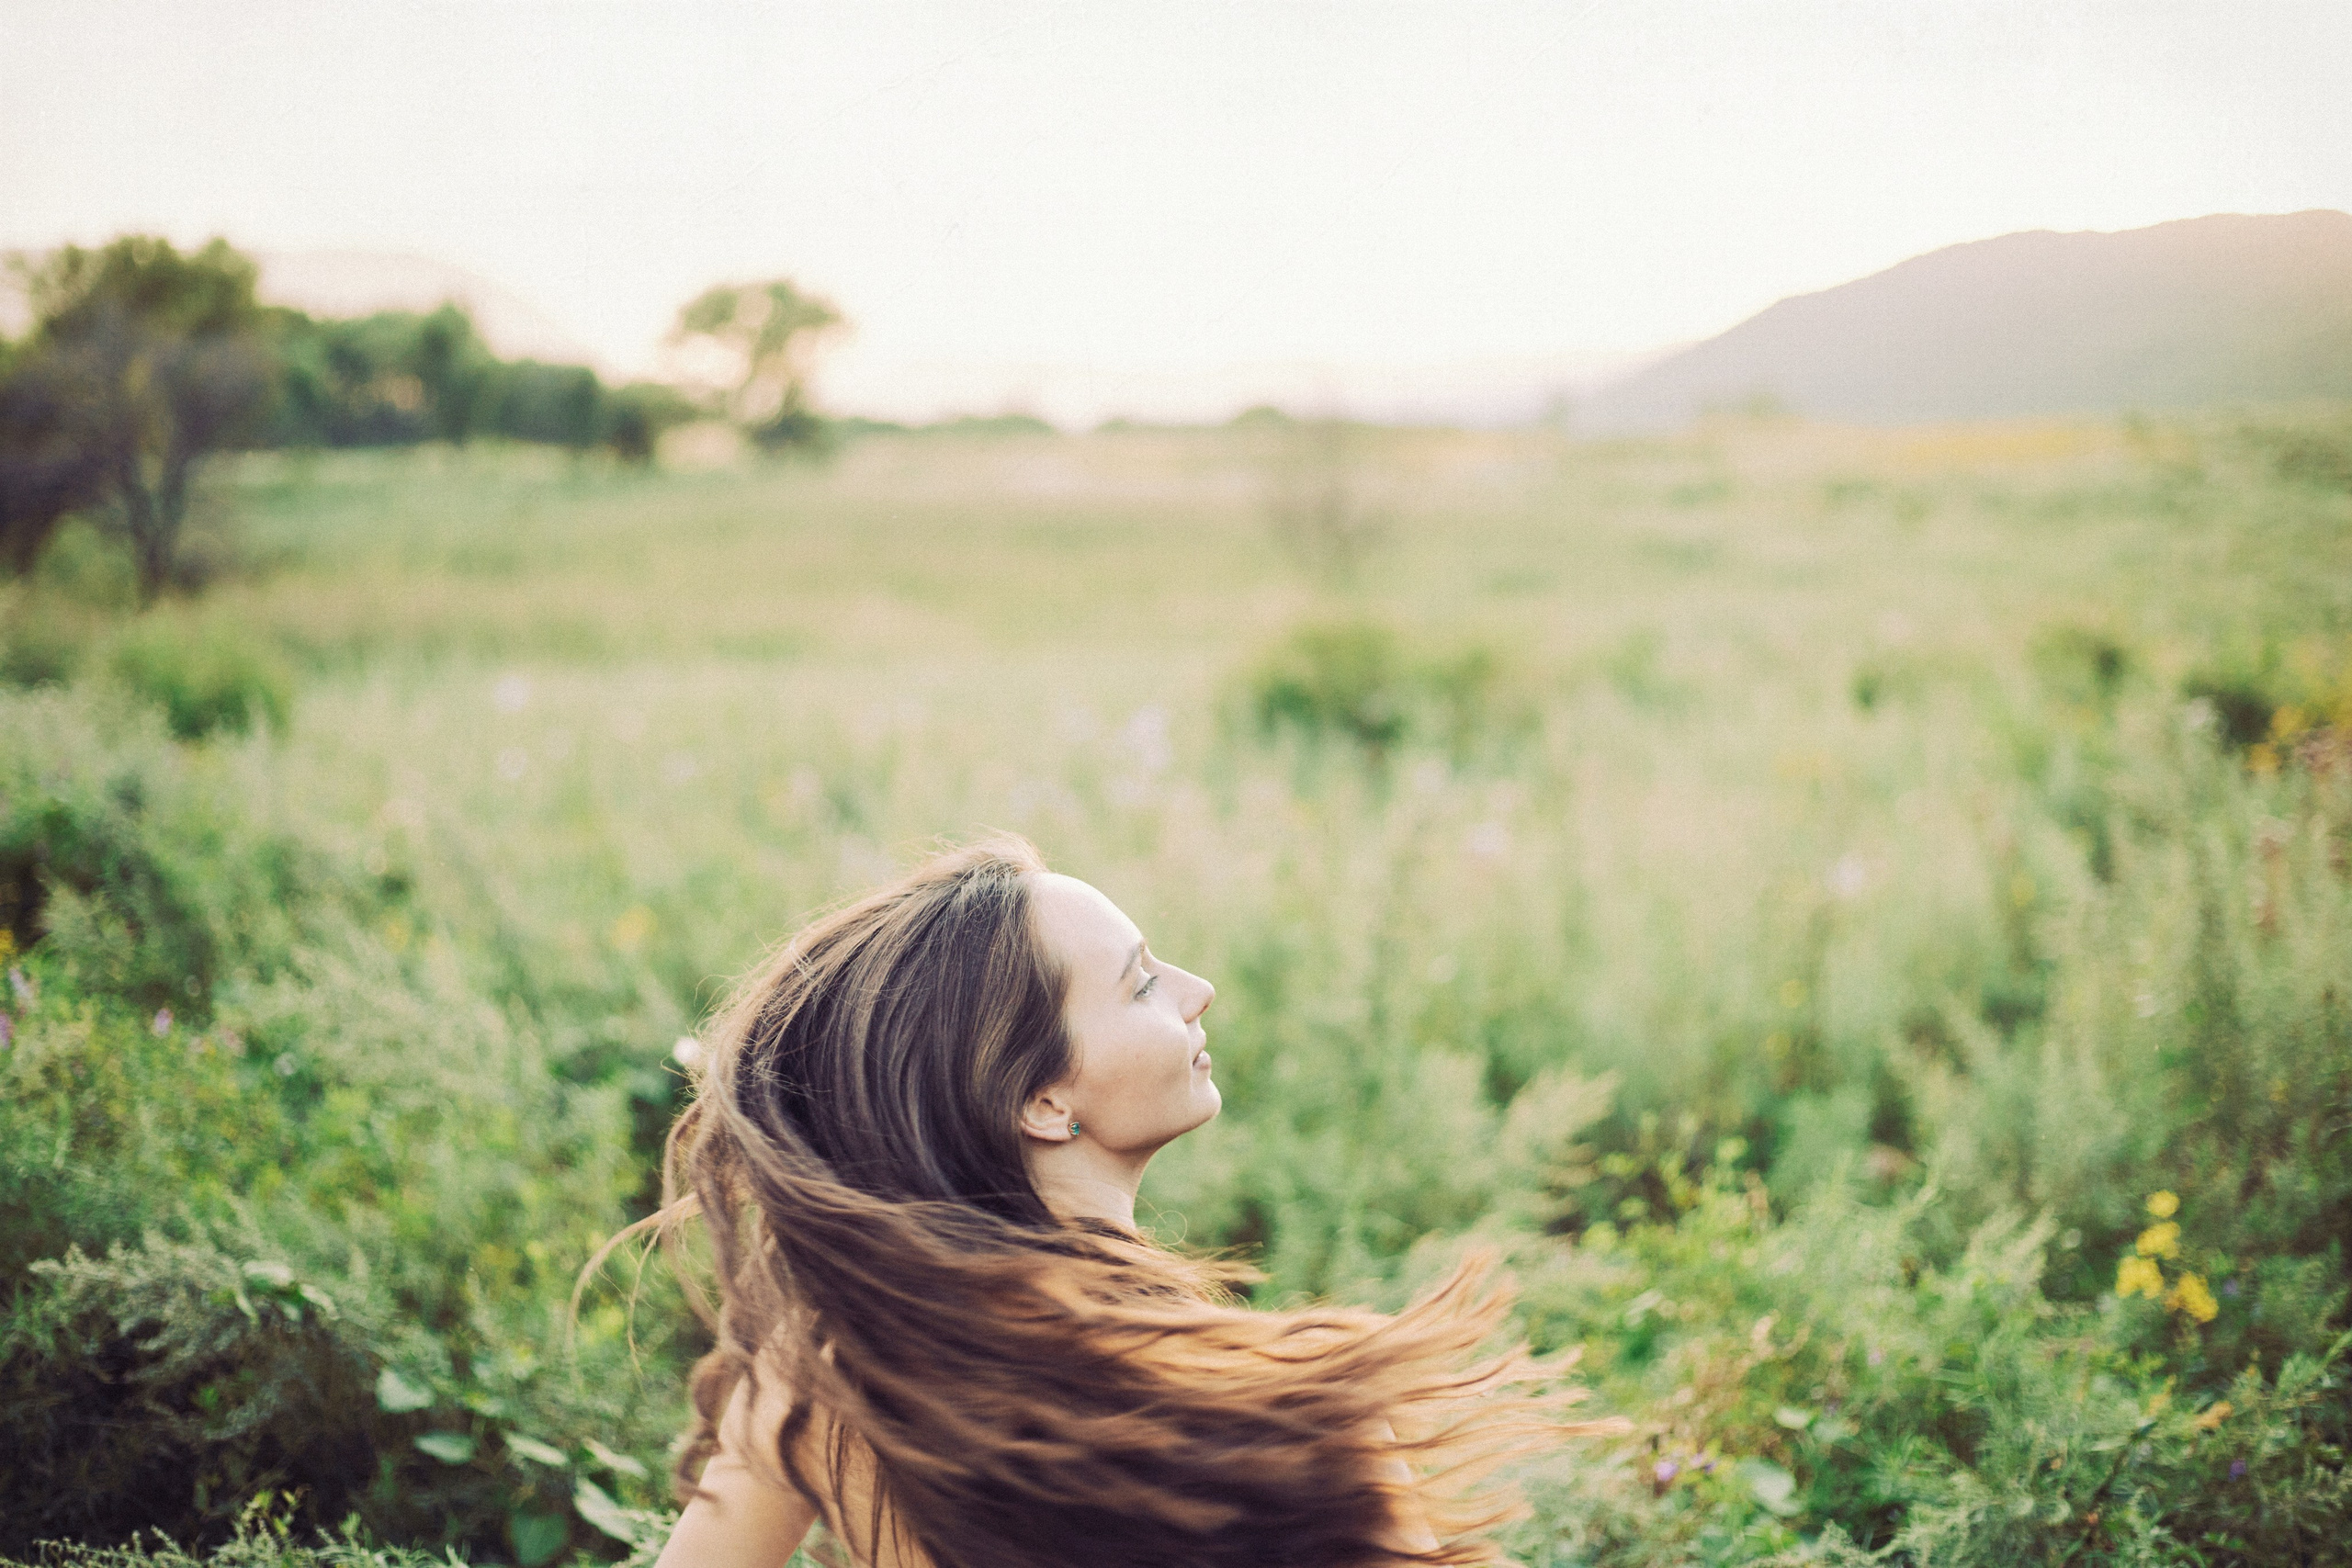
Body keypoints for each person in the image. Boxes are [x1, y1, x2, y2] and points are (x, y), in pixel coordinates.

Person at [630, 835, 1586, 1568]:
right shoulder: (1281, 1397)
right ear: (1041, 1100)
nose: (1197, 990)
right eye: (1140, 985)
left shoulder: (832, 1374)